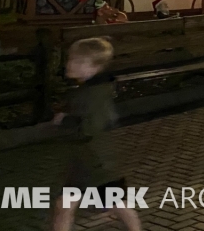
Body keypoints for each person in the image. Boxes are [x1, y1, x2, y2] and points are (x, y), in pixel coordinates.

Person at [52, 38, 141, 231]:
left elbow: (90, 127)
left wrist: (64, 121)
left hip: (95, 164)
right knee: (112, 204)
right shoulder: (91, 90)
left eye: (77, 61)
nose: (69, 64)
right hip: (92, 161)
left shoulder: (93, 95)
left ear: (94, 67)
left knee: (66, 206)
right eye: (70, 59)